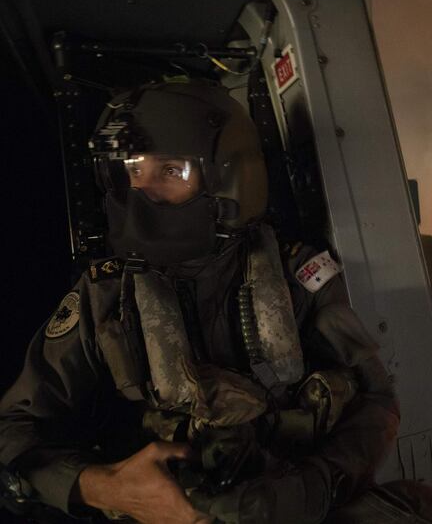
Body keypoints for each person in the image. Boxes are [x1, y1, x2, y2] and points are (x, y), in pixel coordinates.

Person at [0, 79, 405, 523]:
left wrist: (317, 484)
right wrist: (105, 488)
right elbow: (13, 428)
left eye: (170, 171)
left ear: (230, 178)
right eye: (133, 170)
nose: (143, 192)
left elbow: (377, 398)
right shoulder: (107, 297)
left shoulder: (298, 277)